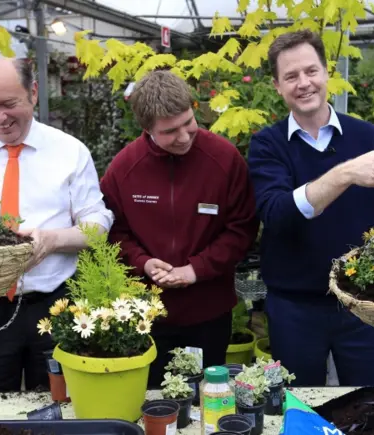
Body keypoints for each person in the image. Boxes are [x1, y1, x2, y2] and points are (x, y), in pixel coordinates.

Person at [0, 57, 113, 393]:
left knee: (61, 412)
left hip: (55, 307)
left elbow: (97, 225)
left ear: (34, 92)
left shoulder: (70, 152)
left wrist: (51, 240)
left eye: (8, 104)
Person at [247, 30, 374, 387]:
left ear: (327, 73)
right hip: (294, 307)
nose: (303, 83)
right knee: (298, 407)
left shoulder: (367, 137)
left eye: (311, 71)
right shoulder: (267, 145)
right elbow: (276, 213)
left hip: (363, 305)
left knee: (373, 402)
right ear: (277, 85)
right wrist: (347, 173)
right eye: (291, 76)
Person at [100, 70, 259, 387]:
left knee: (205, 396)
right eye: (170, 131)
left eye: (189, 122)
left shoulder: (224, 159)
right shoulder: (124, 168)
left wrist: (195, 269)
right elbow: (113, 231)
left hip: (208, 312)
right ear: (147, 129)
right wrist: (142, 262)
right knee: (152, 399)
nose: (185, 136)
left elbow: (242, 228)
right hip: (145, 315)